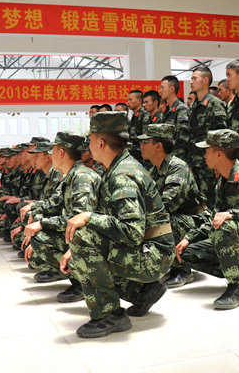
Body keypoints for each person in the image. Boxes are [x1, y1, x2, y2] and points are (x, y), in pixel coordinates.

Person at [61, 111, 174, 338]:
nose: (88, 146)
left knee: (83, 239)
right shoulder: (115, 168)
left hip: (153, 254)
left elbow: (132, 232)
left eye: (91, 140)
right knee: (77, 256)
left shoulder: (123, 175)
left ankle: (110, 315)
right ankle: (141, 291)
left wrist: (89, 217)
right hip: (147, 247)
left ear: (101, 143)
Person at [176, 129, 239, 309]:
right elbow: (213, 218)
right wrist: (189, 238)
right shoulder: (222, 181)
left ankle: (237, 287)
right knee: (188, 251)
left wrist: (232, 213)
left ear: (219, 154)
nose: (204, 155)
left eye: (207, 151)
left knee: (225, 225)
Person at [24, 132, 101, 303]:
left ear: (61, 153)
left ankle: (84, 282)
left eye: (52, 151)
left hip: (92, 237)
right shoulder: (71, 175)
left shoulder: (82, 177)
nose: (50, 155)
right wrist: (35, 213)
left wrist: (42, 223)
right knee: (38, 234)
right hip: (80, 234)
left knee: (40, 237)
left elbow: (78, 220)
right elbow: (54, 205)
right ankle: (76, 276)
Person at [139, 124, 210, 288]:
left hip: (196, 222)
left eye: (145, 142)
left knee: (165, 222)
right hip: (179, 218)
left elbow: (168, 204)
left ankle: (183, 269)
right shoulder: (154, 170)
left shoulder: (177, 167)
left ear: (158, 146)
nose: (141, 146)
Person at [188, 66, 227, 208]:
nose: (191, 81)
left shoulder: (215, 104)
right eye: (191, 78)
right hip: (196, 163)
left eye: (194, 78)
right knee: (198, 203)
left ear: (205, 81)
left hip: (210, 164)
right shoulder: (194, 106)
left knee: (210, 202)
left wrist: (218, 164)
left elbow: (221, 136)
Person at [160, 75, 190, 162]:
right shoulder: (167, 111)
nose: (160, 90)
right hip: (167, 157)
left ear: (171, 89)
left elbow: (183, 139)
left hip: (177, 158)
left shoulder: (181, 109)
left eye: (162, 87)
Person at [126, 89, 150, 165]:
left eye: (131, 100)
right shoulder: (134, 116)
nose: (128, 102)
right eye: (127, 100)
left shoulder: (144, 115)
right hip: (134, 156)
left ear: (139, 101)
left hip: (141, 157)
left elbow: (145, 137)